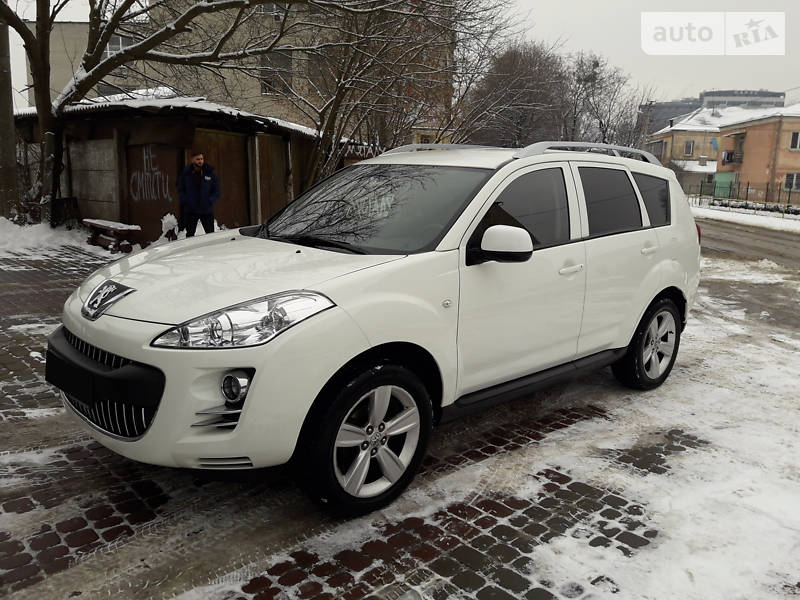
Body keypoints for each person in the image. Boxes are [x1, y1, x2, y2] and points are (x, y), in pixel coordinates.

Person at [177, 151, 220, 237]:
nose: (200, 161)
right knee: (190, 235)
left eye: (201, 159)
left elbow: (216, 190)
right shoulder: (186, 174)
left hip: (206, 210)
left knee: (210, 234)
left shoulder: (209, 173)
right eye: (198, 159)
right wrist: (185, 201)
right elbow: (180, 188)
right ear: (192, 160)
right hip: (191, 210)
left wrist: (210, 201)